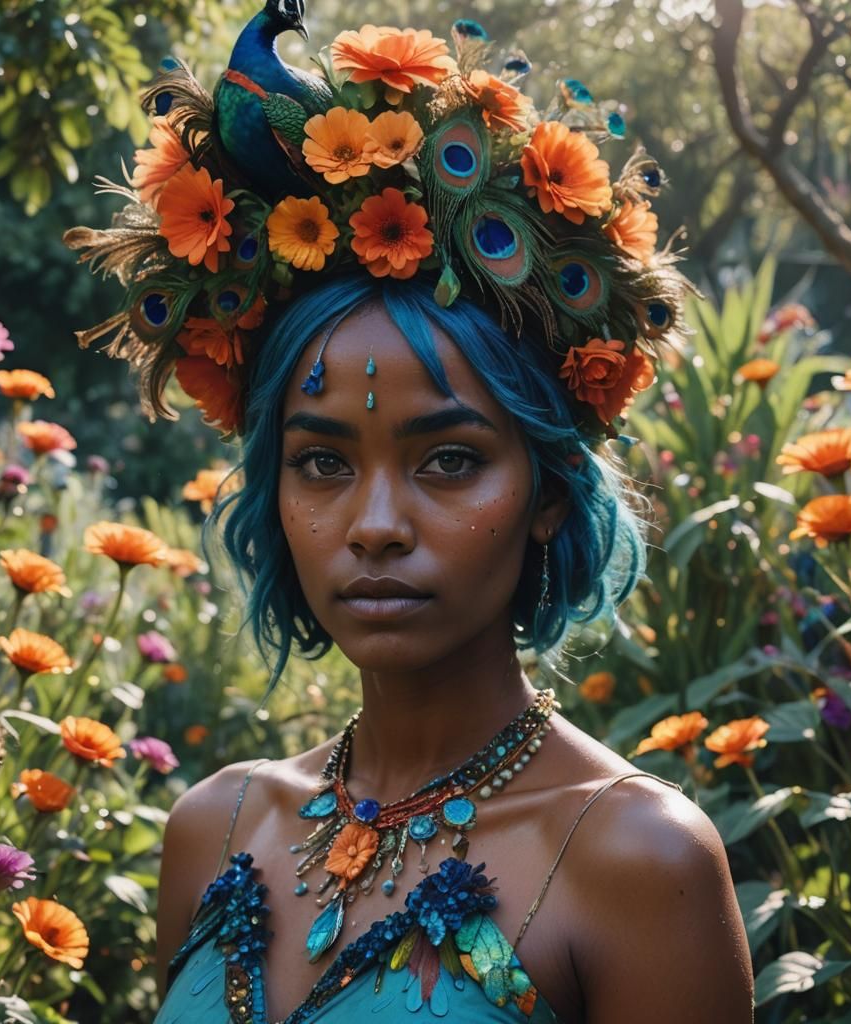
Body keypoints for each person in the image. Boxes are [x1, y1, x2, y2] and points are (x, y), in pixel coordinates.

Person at [63, 8, 755, 1021]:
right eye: (320, 462)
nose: (374, 522)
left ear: (550, 496)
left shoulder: (637, 860)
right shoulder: (213, 827)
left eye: (447, 459)